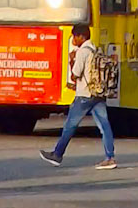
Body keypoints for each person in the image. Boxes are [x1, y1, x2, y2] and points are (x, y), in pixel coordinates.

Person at [38, 22, 115, 171]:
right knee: (104, 126)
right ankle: (110, 157)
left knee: (69, 126)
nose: (73, 39)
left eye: (75, 36)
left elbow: (75, 74)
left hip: (84, 95)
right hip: (97, 94)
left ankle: (57, 154)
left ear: (82, 36)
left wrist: (72, 59)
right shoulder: (95, 49)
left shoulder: (82, 52)